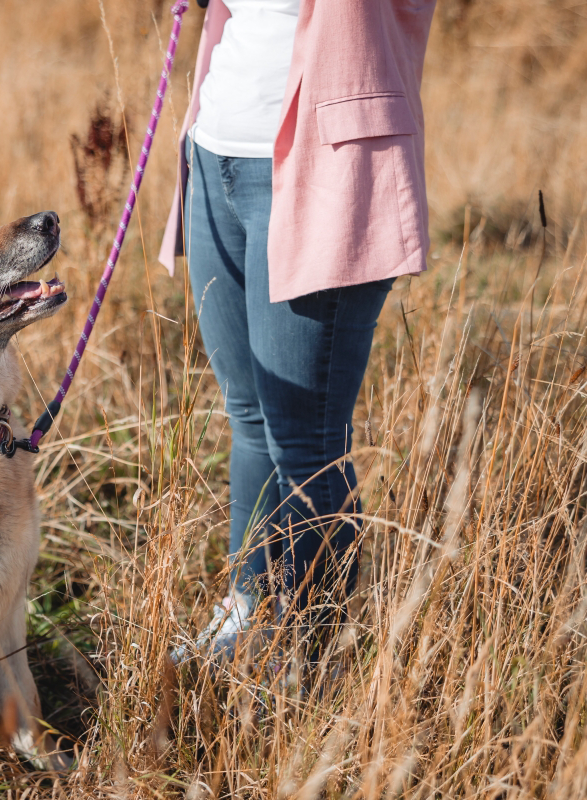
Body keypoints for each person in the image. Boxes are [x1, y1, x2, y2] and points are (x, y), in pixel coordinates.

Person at [160, 0, 437, 660]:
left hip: (327, 170)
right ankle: (247, 613)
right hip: (215, 153)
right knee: (249, 415)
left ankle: (313, 658)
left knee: (306, 442)